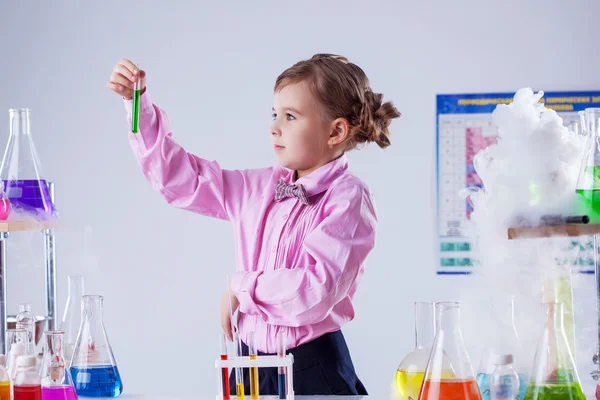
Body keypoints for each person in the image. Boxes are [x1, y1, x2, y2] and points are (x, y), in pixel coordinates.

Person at [107, 53, 400, 395]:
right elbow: (179, 180)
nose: (275, 127)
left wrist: (240, 287)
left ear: (335, 131)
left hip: (311, 366)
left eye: (291, 116)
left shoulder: (348, 197)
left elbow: (315, 290)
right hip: (249, 366)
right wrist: (136, 103)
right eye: (275, 114)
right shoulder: (258, 188)